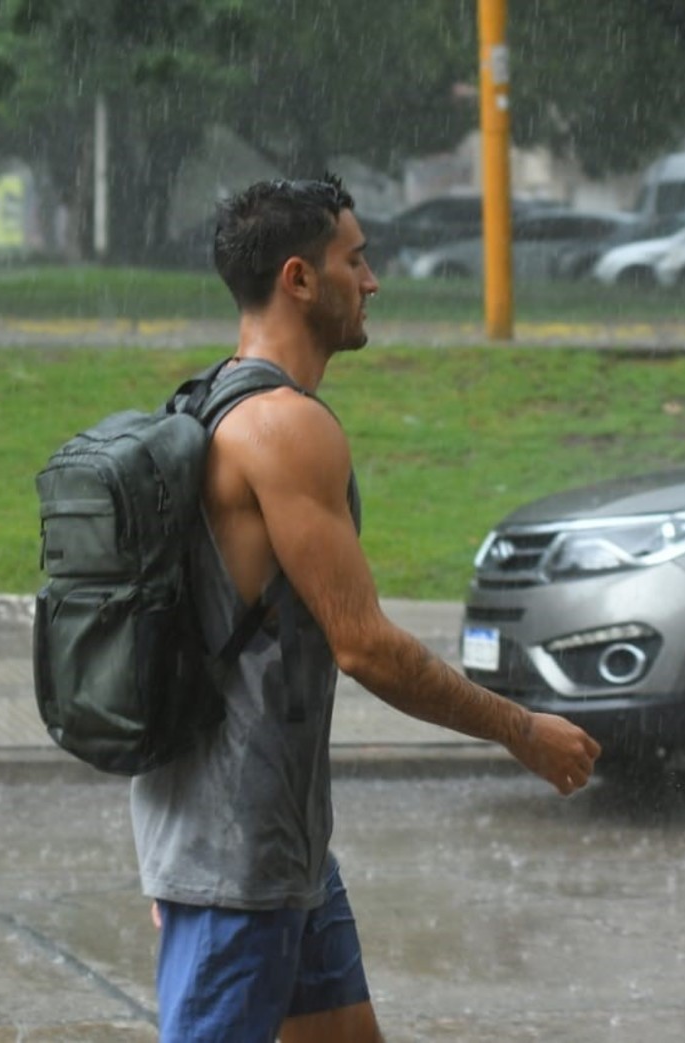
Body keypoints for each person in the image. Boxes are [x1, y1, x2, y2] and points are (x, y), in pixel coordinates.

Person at [129, 175, 602, 1043]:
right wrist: (520, 729)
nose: (372, 280)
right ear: (299, 278)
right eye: (356, 260)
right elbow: (366, 646)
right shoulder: (283, 426)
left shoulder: (208, 398)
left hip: (275, 840)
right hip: (236, 854)